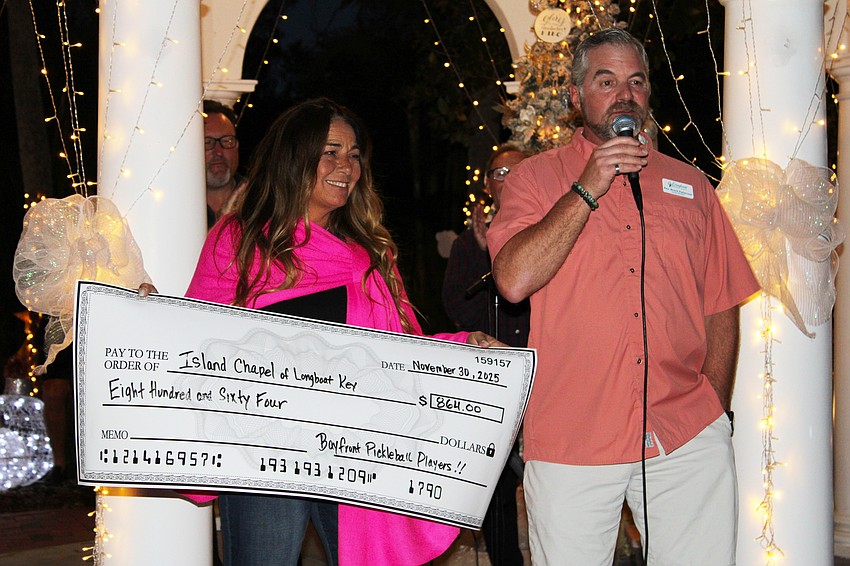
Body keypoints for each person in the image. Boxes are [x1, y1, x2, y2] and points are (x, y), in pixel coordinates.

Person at [184, 97, 500, 566]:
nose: (346, 167)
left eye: (354, 155)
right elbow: (195, 341)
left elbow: (400, 356)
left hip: (353, 455)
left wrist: (464, 347)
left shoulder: (368, 254)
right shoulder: (238, 239)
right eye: (330, 151)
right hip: (262, 456)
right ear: (295, 156)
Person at [487, 28, 760, 565]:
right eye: (606, 81)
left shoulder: (691, 186)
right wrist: (590, 185)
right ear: (575, 96)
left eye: (635, 81)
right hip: (575, 435)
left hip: (684, 436)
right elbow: (514, 278)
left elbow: (721, 299)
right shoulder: (534, 181)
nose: (624, 94)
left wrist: (714, 411)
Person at [442, 144, 529, 566]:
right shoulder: (466, 246)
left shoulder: (552, 232)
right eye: (499, 171)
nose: (508, 177)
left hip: (546, 378)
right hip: (493, 383)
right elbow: (459, 311)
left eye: (518, 169)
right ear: (487, 185)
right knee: (494, 492)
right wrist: (483, 251)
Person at [203, 100, 242, 228]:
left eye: (227, 141)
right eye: (208, 142)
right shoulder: (178, 205)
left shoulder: (257, 201)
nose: (218, 152)